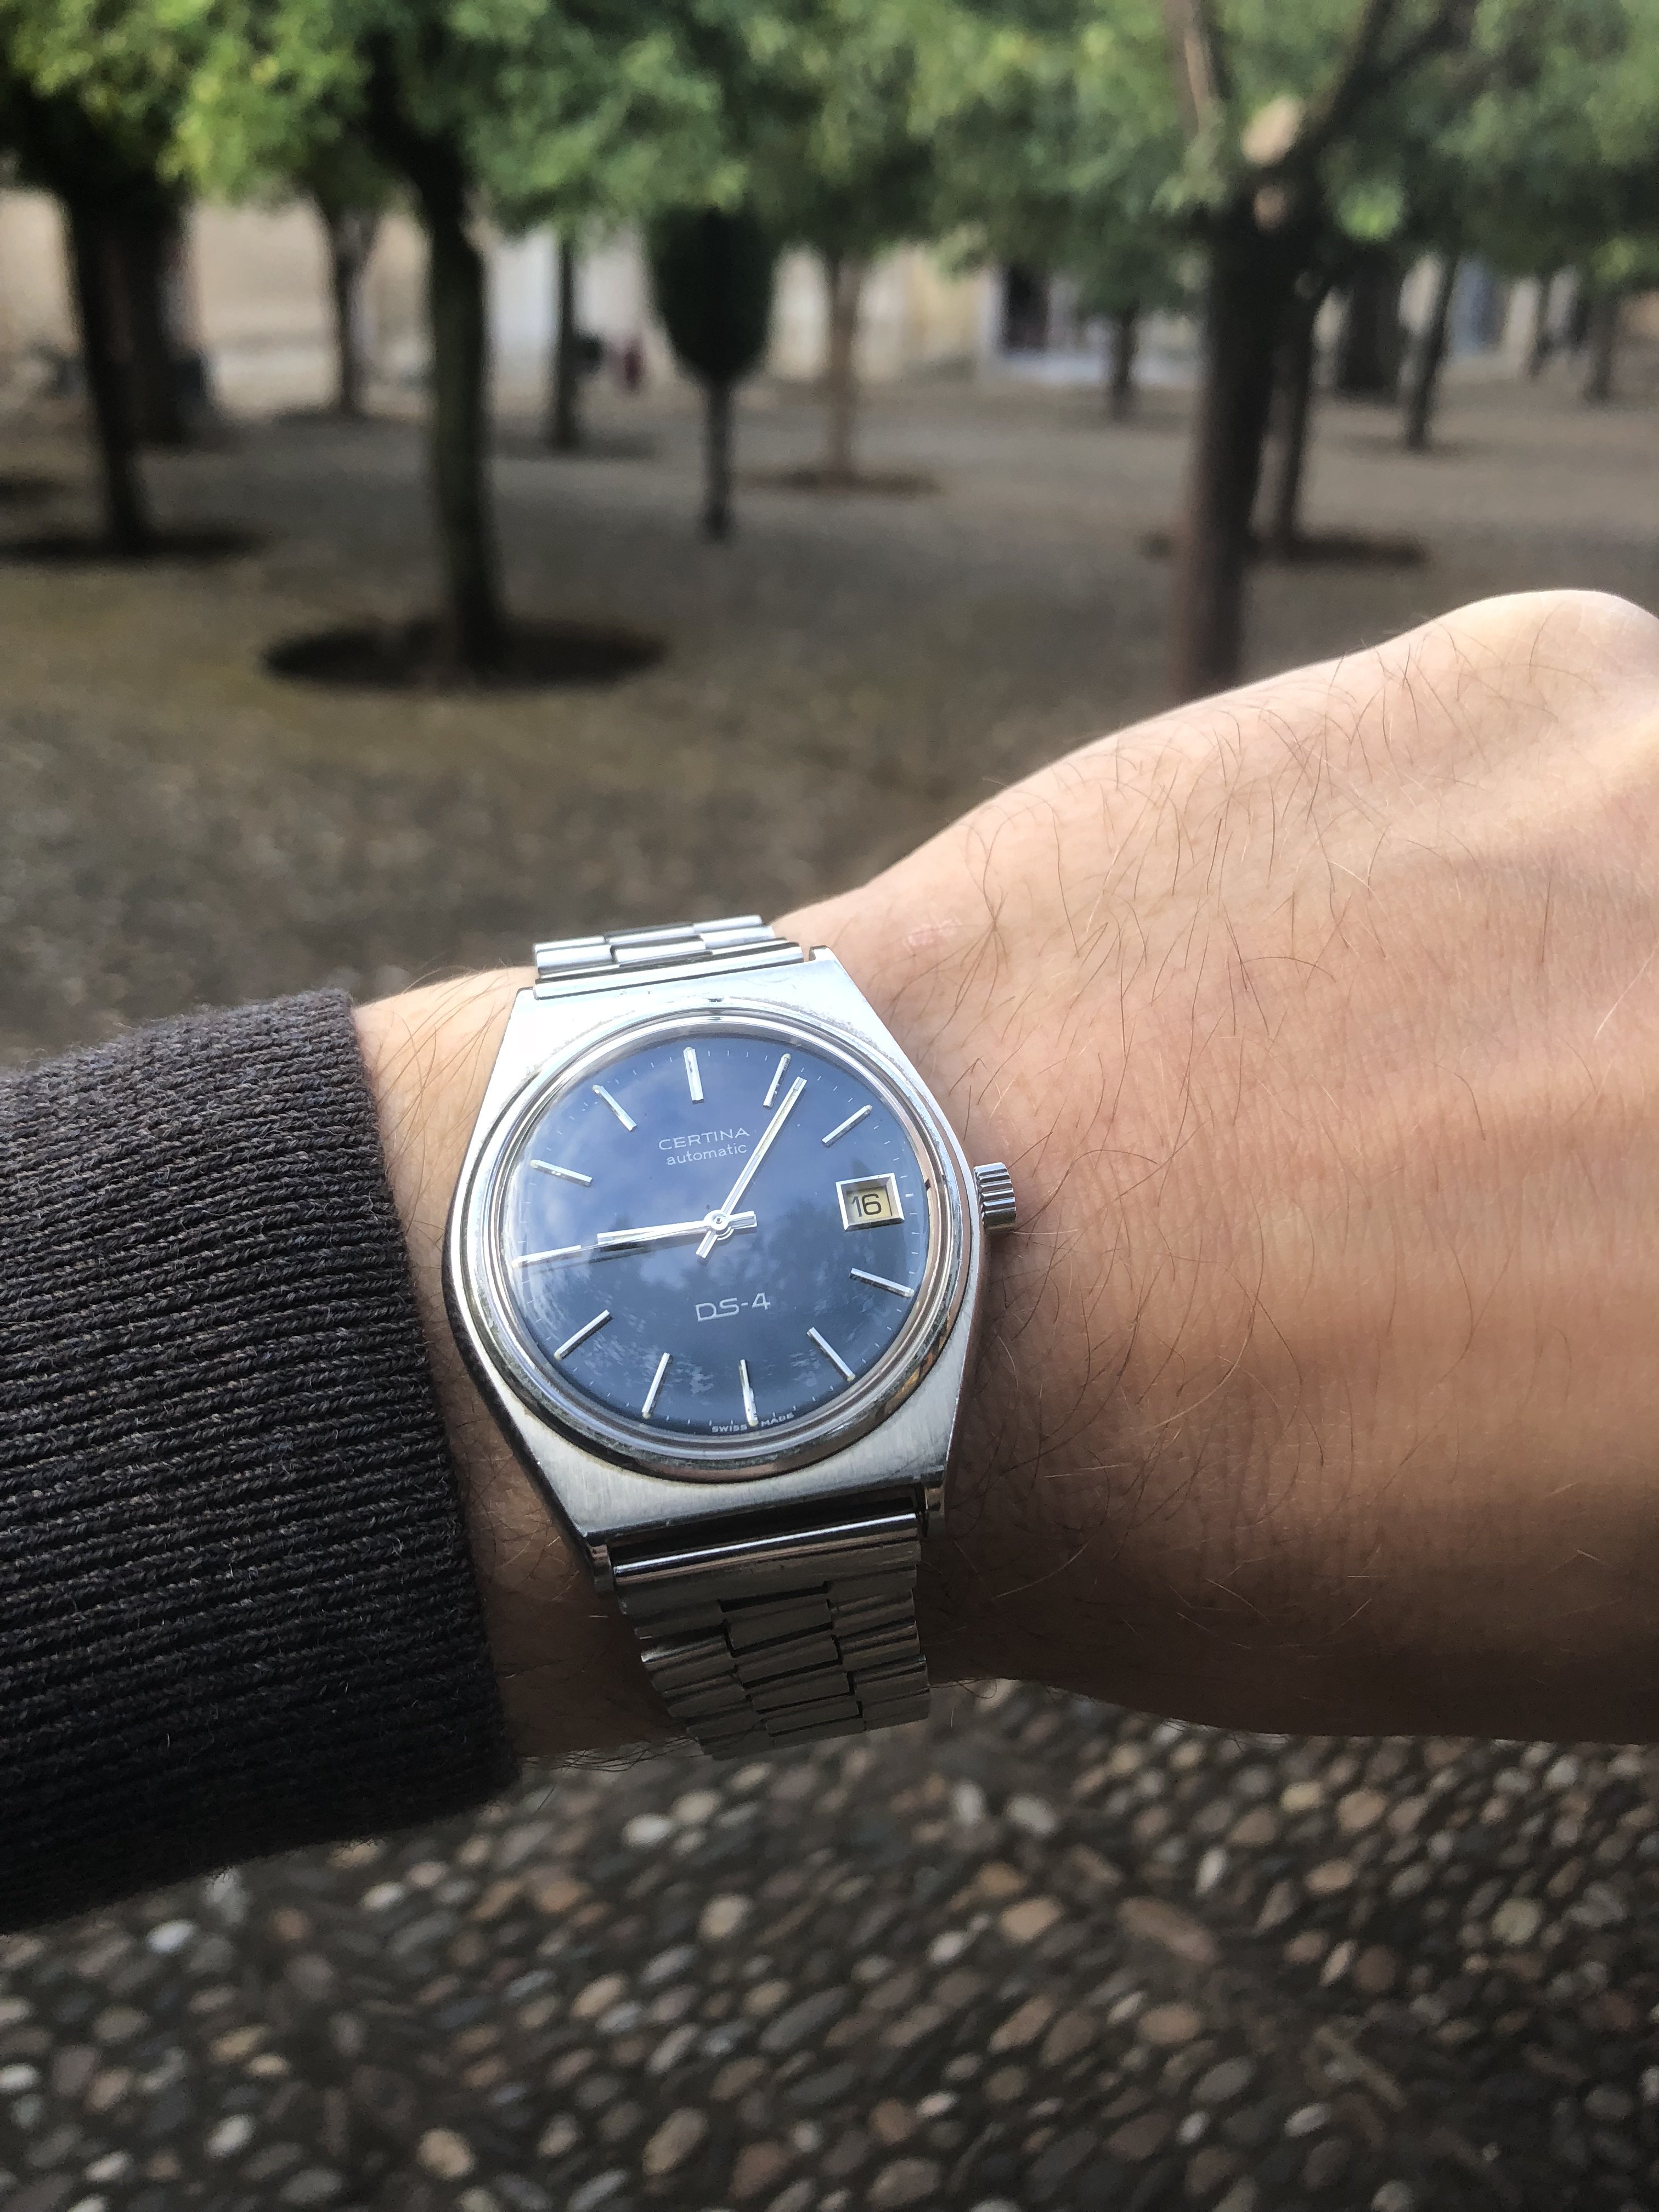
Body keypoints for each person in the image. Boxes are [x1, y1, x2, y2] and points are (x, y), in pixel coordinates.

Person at [5, 587, 1659, 1932]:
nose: (726, 1228)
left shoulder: (894, 1195)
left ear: (965, 1194)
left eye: (733, 1217)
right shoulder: (599, 1199)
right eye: (705, 1225)